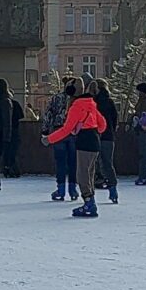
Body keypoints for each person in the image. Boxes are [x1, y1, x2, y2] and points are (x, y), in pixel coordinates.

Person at [42, 78, 106, 218]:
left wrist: (49, 139)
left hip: (84, 142)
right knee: (89, 173)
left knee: (82, 174)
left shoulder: (76, 106)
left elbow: (66, 129)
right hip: (94, 141)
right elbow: (103, 124)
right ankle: (91, 202)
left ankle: (89, 203)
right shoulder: (91, 103)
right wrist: (93, 130)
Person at [41, 78, 76, 201]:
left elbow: (48, 114)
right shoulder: (77, 99)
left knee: (60, 162)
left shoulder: (56, 98)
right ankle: (73, 189)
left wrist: (45, 131)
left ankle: (61, 189)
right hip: (74, 132)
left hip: (59, 131)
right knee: (73, 162)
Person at [89, 79, 120, 204]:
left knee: (92, 164)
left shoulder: (92, 102)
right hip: (108, 136)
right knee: (108, 164)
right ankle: (113, 190)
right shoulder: (110, 102)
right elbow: (114, 121)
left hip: (95, 136)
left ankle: (91, 191)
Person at [4, 89, 25, 178]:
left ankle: (8, 169)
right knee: (13, 151)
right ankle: (13, 170)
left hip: (6, 130)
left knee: (7, 151)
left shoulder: (4, 104)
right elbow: (21, 116)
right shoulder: (15, 104)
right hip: (14, 130)